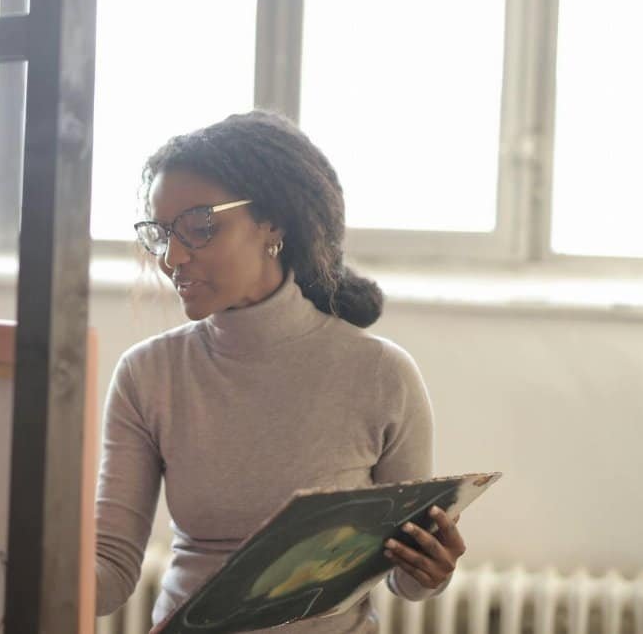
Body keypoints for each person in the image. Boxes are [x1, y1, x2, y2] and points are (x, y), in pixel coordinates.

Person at [94, 110, 467, 632]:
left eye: (199, 227)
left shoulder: (381, 375)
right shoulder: (147, 374)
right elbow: (109, 567)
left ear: (273, 224)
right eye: (161, 234)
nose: (172, 256)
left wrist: (430, 568)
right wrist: (7, 561)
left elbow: (404, 579)